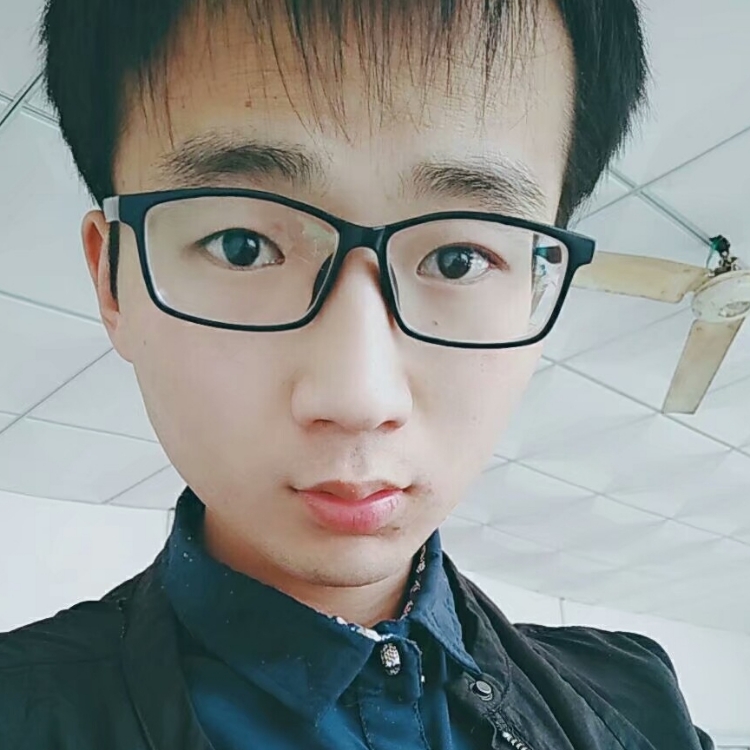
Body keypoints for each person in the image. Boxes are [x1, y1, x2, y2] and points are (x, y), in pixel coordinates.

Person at [0, 1, 714, 748]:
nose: (358, 399)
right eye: (242, 245)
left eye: (459, 259)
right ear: (113, 281)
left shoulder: (637, 700)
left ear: (537, 287)